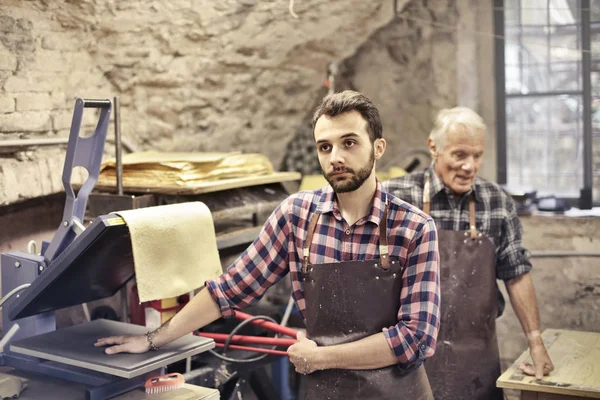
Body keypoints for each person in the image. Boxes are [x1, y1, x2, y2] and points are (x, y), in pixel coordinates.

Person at [95, 91, 440, 400]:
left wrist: (321, 356)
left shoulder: (413, 228)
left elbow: (415, 338)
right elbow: (226, 292)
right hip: (326, 392)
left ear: (378, 147)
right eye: (325, 146)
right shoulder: (297, 216)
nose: (335, 157)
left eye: (349, 143)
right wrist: (152, 339)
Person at [383, 106, 554, 400]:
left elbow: (516, 274)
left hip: (476, 363)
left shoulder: (496, 202)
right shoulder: (396, 199)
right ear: (433, 148)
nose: (470, 166)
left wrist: (535, 341)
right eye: (460, 155)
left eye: (477, 156)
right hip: (408, 363)